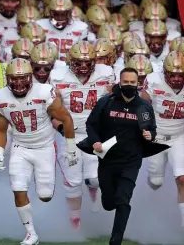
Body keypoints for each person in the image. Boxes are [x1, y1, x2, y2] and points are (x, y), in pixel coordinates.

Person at [0, 58, 77, 245]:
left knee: (45, 196)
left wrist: (71, 149)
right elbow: (0, 129)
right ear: (7, 79)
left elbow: (66, 119)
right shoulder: (0, 97)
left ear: (30, 77)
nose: (19, 83)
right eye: (14, 78)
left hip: (44, 147)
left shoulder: (44, 91)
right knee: (18, 189)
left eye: (23, 78)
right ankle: (31, 233)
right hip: (20, 147)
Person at [82, 67, 167, 245]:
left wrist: (149, 135)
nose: (129, 85)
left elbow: (151, 129)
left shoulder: (144, 106)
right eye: (125, 82)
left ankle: (116, 241)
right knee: (108, 203)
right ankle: (105, 199)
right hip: (107, 159)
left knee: (123, 199)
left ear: (138, 84)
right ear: (119, 83)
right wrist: (95, 141)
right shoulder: (106, 102)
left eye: (132, 83)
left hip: (131, 160)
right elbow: (91, 125)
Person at [50, 41, 115, 229]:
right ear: (70, 61)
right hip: (71, 135)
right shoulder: (58, 77)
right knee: (73, 182)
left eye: (88, 63)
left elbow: (113, 103)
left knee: (95, 178)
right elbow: (52, 111)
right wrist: (62, 130)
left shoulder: (106, 73)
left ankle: (93, 191)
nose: (84, 67)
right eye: (79, 62)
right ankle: (75, 222)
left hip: (96, 134)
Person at [141, 51, 184, 230]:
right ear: (165, 72)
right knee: (156, 182)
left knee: (182, 177)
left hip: (178, 137)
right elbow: (142, 108)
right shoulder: (154, 80)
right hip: (155, 138)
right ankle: (149, 193)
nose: (177, 79)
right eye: (173, 74)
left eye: (181, 75)